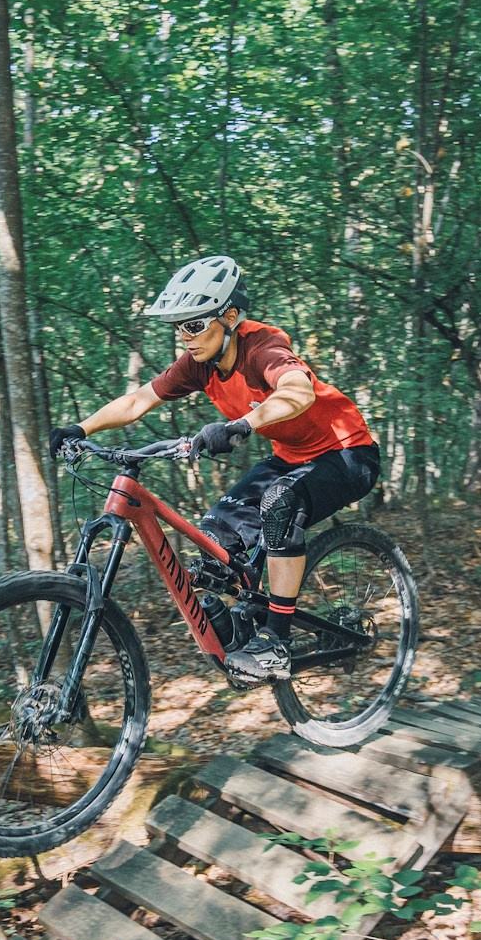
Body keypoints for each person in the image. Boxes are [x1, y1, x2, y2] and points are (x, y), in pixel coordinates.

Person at [49, 255, 380, 682]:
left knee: (281, 504)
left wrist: (242, 424)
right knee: (215, 542)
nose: (183, 338)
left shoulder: (265, 349)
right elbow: (136, 402)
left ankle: (275, 643)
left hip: (349, 454)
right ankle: (247, 621)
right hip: (291, 456)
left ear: (230, 316)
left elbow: (298, 393)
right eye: (178, 327)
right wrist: (81, 427)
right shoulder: (200, 363)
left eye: (194, 325)